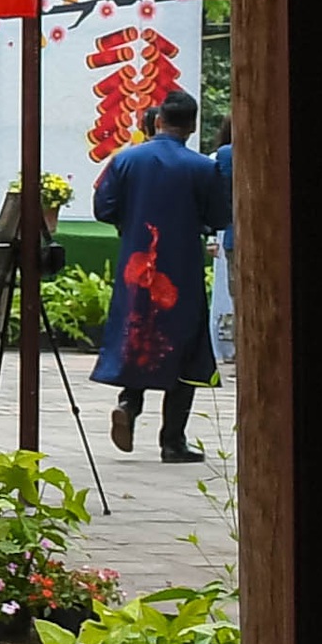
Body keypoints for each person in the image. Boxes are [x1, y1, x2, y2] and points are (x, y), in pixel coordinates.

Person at [88, 89, 233, 461]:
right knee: (184, 346)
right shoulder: (203, 167)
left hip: (137, 267)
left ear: (159, 120)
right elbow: (219, 217)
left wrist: (132, 219)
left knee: (140, 331)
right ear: (192, 125)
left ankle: (129, 404)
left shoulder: (126, 160)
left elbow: (103, 208)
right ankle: (172, 441)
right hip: (181, 270)